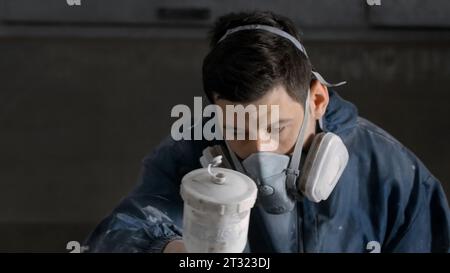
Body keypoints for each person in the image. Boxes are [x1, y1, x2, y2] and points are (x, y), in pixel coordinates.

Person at [84, 11, 450, 253]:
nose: (260, 150)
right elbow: (115, 237)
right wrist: (175, 252)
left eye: (277, 127)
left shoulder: (394, 175)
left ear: (317, 99)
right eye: (238, 130)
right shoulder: (189, 155)